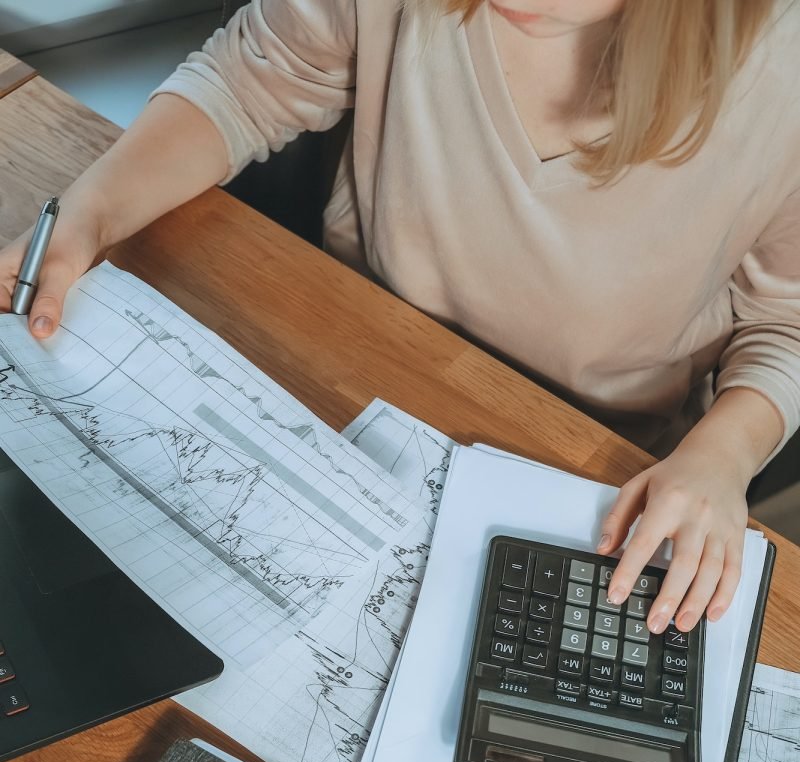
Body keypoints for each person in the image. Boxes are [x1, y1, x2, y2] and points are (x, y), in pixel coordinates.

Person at [1, 0, 798, 636]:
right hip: (350, 381)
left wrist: (723, 459)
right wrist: (91, 213)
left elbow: (788, 319)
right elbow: (251, 80)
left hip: (591, 472)